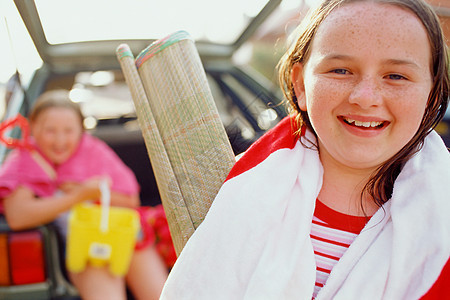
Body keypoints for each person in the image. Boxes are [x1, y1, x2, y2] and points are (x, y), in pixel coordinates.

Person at [160, 0, 450, 299]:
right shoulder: (231, 186)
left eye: (396, 76)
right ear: (300, 85)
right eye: (340, 70)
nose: (365, 97)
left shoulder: (443, 217)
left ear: (431, 94)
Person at [0, 89, 168, 300]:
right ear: (33, 126)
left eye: (68, 131)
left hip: (126, 238)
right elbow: (18, 217)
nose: (60, 140)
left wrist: (92, 194)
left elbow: (130, 200)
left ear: (81, 130)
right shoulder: (25, 161)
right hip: (86, 249)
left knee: (163, 295)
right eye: (50, 130)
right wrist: (77, 196)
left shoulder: (93, 151)